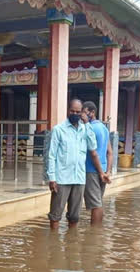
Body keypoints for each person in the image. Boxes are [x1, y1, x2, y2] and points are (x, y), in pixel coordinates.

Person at [47, 98, 106, 230]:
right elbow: (51, 155)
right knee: (55, 215)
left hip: (79, 179)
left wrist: (87, 125)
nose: (75, 114)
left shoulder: (85, 129)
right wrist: (52, 178)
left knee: (74, 217)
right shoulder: (59, 129)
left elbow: (93, 146)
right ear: (68, 111)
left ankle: (72, 244)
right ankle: (54, 244)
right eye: (72, 111)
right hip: (62, 178)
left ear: (82, 113)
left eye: (78, 112)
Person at [82, 101, 114, 225]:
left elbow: (93, 153)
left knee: (95, 204)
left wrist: (101, 172)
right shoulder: (104, 128)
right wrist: (108, 171)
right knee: (98, 202)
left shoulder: (90, 128)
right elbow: (110, 152)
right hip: (103, 170)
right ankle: (98, 232)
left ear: (92, 112)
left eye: (85, 112)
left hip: (92, 170)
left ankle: (94, 235)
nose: (82, 116)